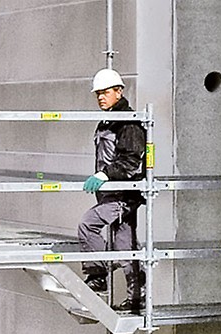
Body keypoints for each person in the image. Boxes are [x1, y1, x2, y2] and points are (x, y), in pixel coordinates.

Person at [78, 68, 146, 311]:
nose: (100, 97)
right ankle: (136, 299)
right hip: (110, 194)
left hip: (122, 195)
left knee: (88, 224)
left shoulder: (128, 123)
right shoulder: (107, 120)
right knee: (125, 248)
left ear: (119, 91)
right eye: (98, 94)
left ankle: (97, 276)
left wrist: (104, 174)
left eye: (105, 92)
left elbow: (131, 161)